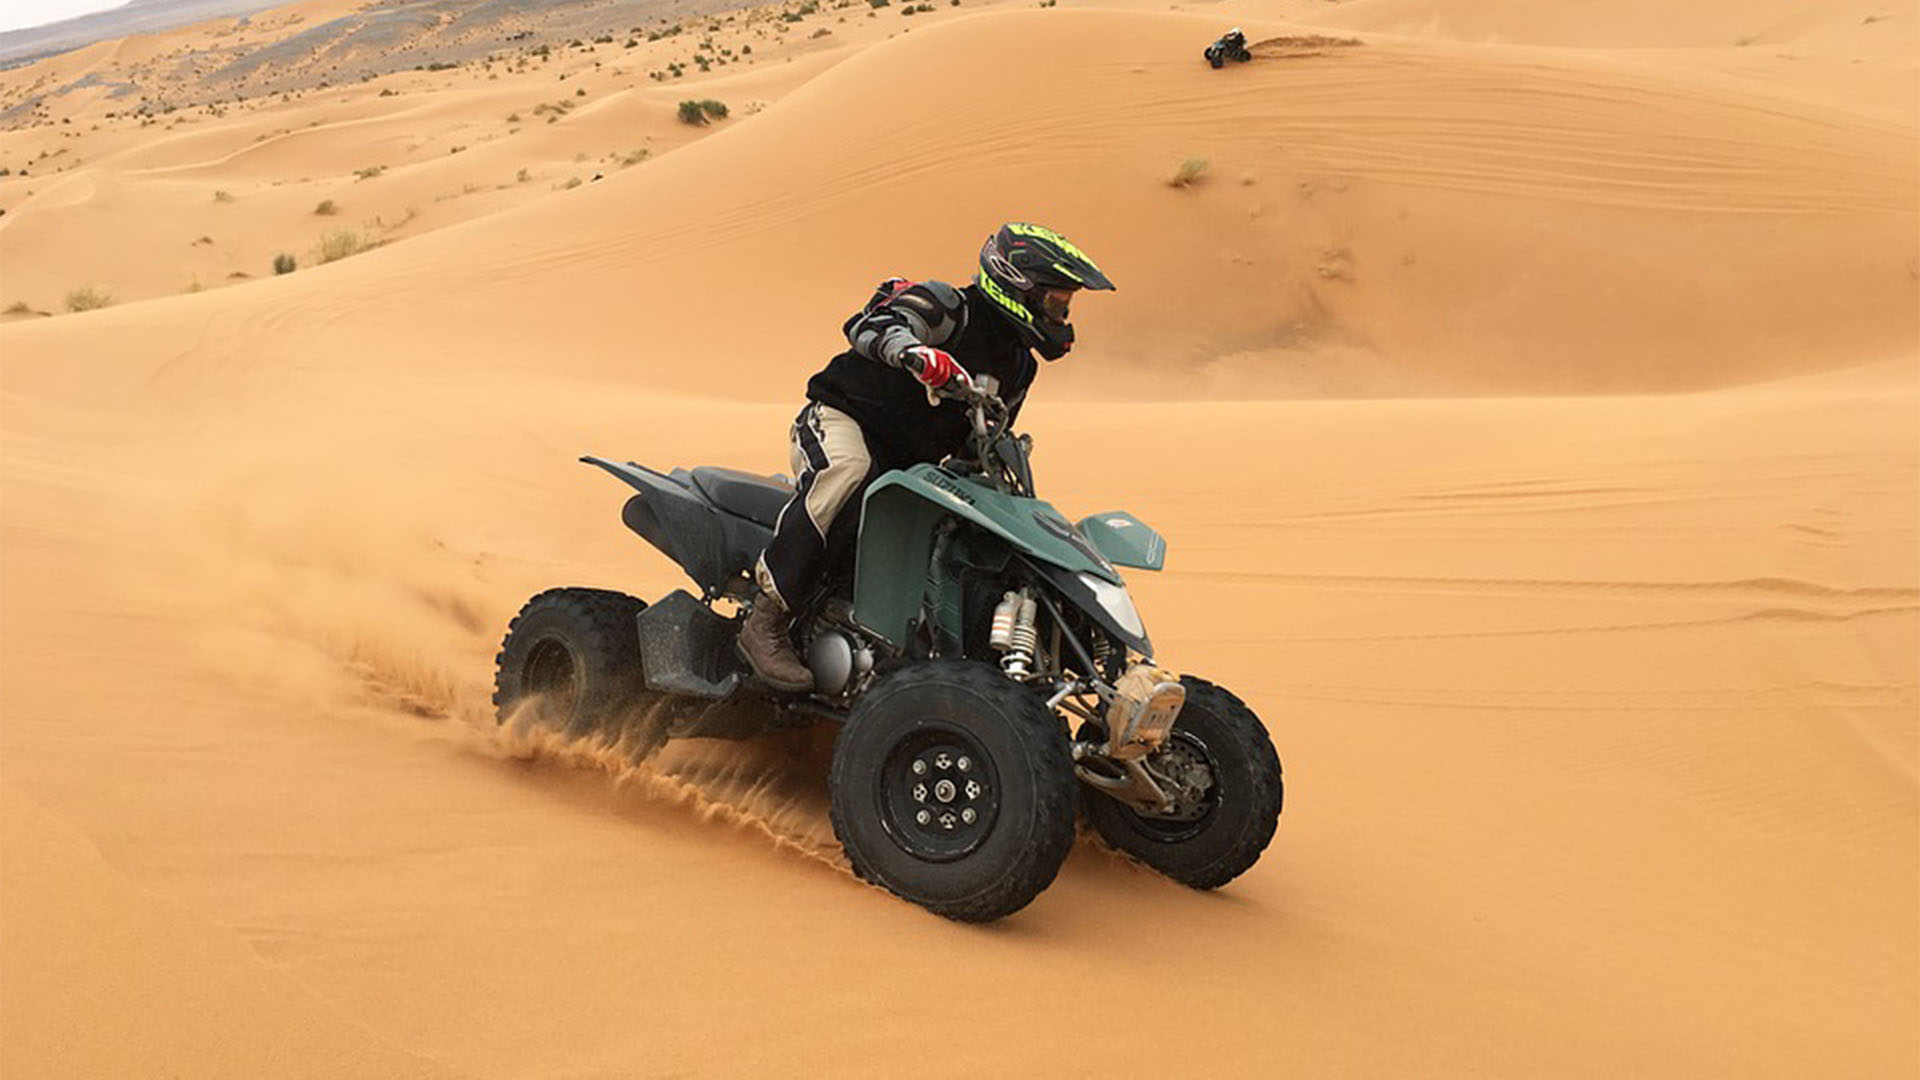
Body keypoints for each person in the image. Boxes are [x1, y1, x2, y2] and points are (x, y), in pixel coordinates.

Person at [737, 222, 1116, 690]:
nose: (1062, 315)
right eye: (1056, 302)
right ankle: (766, 620)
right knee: (849, 471)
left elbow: (985, 440)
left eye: (1066, 304)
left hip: (909, 466)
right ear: (1019, 287)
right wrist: (913, 352)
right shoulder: (948, 307)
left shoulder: (1019, 366)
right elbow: (870, 326)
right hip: (842, 421)